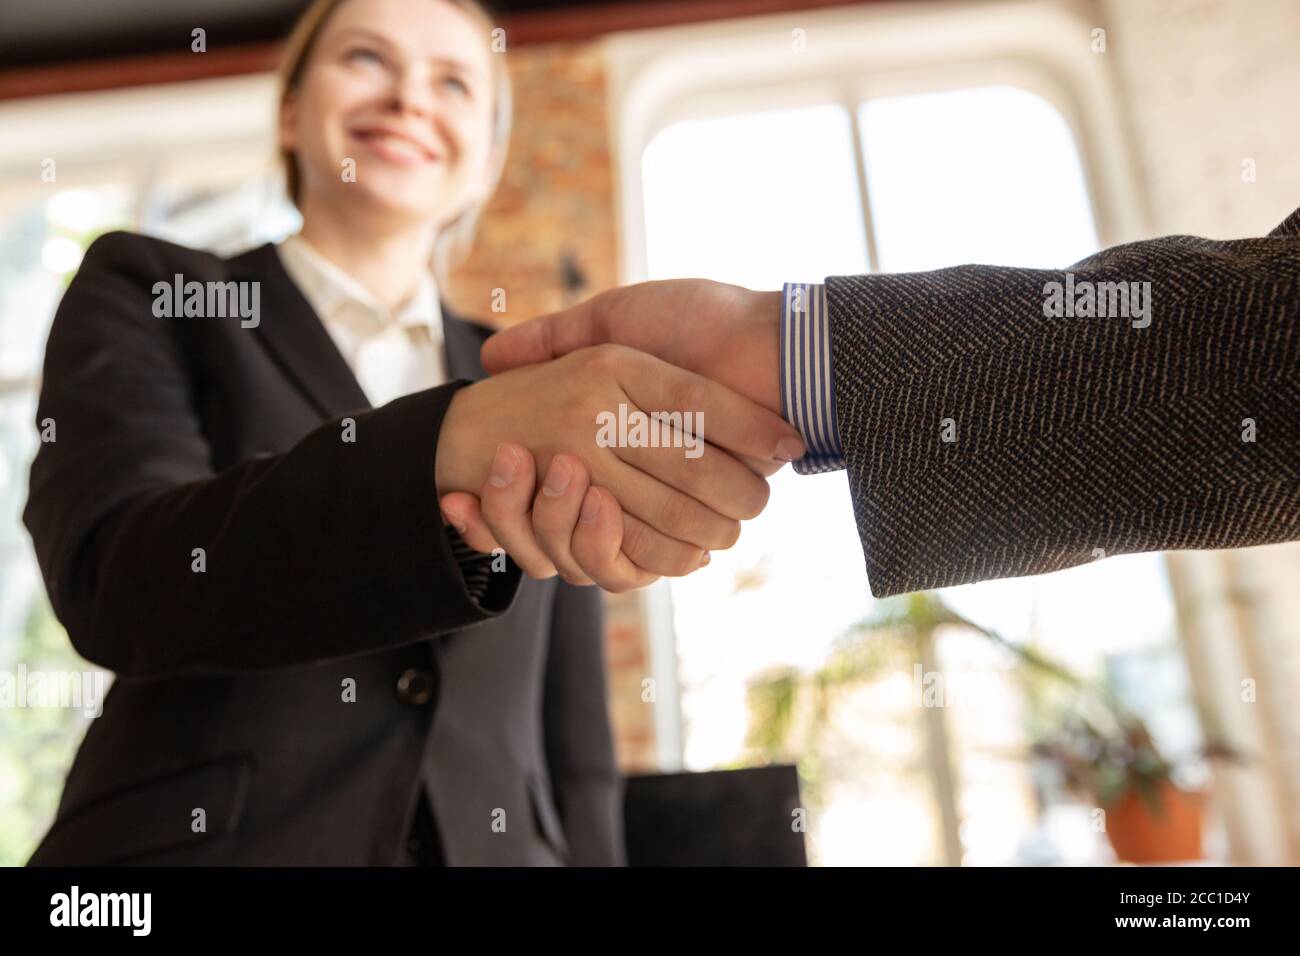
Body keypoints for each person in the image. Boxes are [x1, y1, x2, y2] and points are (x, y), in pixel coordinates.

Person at [22, 0, 797, 866]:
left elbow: (573, 731)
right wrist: (445, 446)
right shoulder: (153, 292)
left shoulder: (540, 374)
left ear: (487, 162)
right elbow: (118, 573)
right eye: (366, 58)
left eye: (454, 81)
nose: (409, 100)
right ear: (290, 109)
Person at [445, 207, 1300, 597]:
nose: (412, 101)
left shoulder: (556, 386)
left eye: (454, 79)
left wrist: (779, 352)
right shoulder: (532, 393)